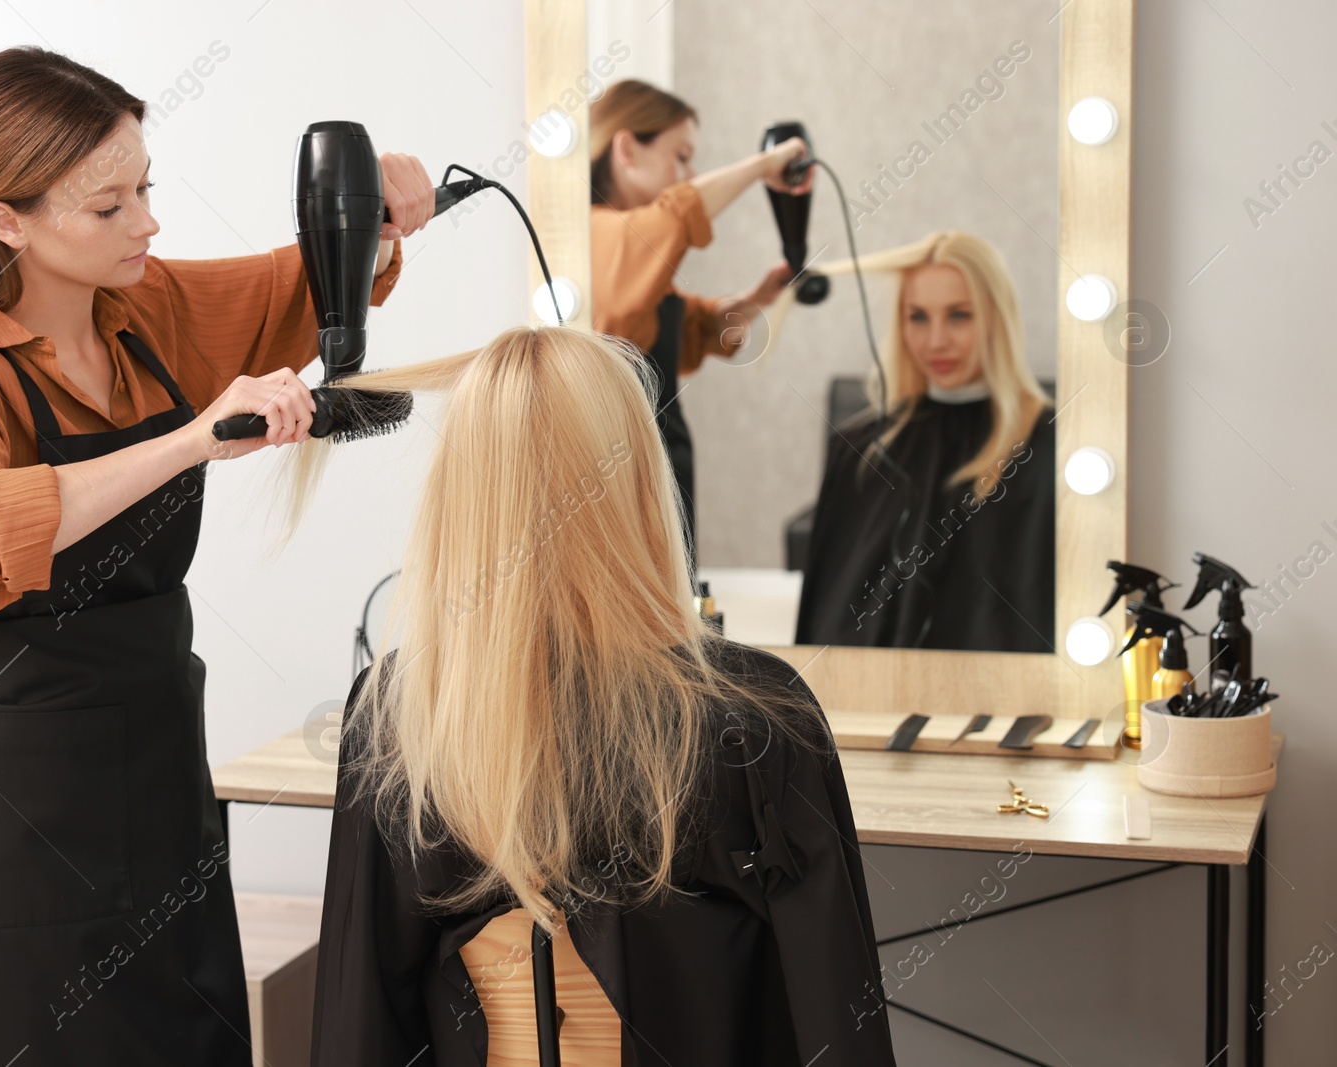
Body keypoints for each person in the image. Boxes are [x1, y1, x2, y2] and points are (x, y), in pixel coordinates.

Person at [0, 46, 434, 1065]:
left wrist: (379, 198)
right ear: (6, 218)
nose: (148, 223)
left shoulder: (146, 310)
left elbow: (293, 286)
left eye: (145, 189)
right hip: (13, 823)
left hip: (162, 793)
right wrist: (187, 439)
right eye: (108, 205)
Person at [280, 326, 897, 1065]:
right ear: (636, 475)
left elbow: (362, 1008)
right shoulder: (756, 713)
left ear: (462, 491)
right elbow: (835, 1006)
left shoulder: (401, 710)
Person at [589, 78, 814, 570]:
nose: (688, 174)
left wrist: (759, 297)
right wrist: (760, 168)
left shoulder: (634, 255)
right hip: (617, 478)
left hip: (664, 465)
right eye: (682, 156)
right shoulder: (594, 236)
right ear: (627, 148)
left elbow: (693, 332)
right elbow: (675, 217)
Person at [793, 230, 1055, 651]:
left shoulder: (1048, 446)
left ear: (996, 318)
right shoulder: (860, 450)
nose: (935, 341)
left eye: (959, 315)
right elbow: (825, 617)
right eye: (918, 317)